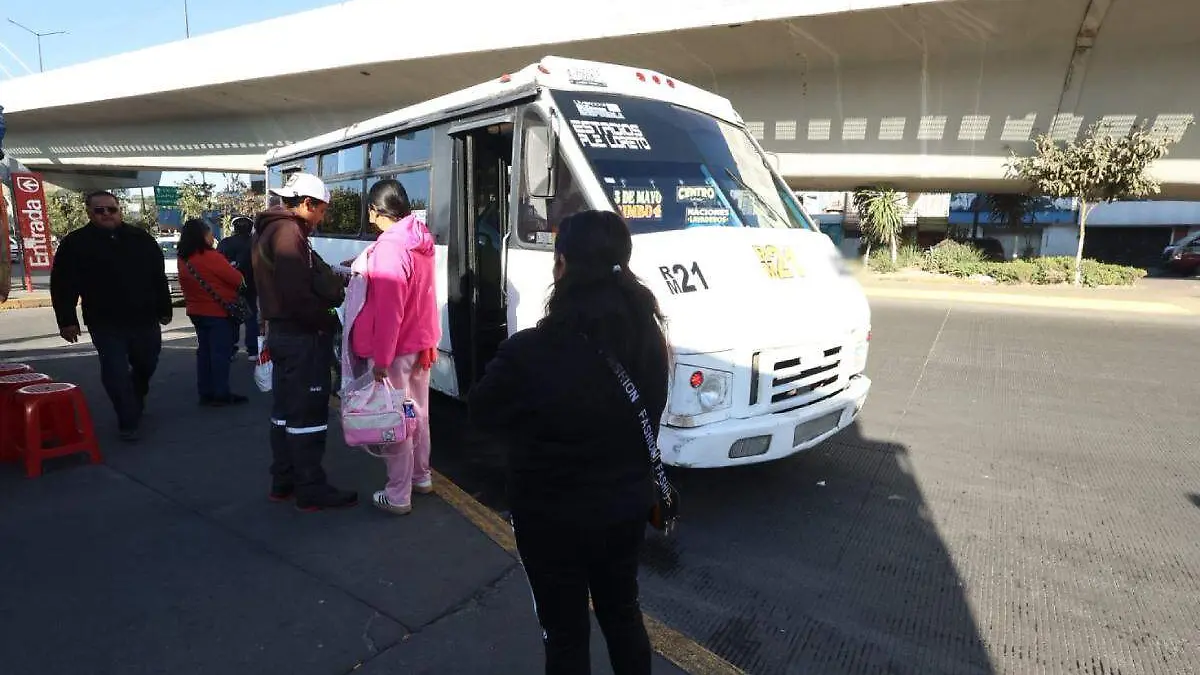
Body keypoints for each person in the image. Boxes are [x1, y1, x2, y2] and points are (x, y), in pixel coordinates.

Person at [468, 210, 671, 675]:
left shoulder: (529, 351)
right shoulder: (648, 337)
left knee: (564, 634)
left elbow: (483, 411)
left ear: (561, 265)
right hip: (625, 510)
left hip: (549, 518)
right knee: (623, 616)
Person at [252, 172, 357, 511]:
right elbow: (297, 294)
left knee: (284, 411)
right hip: (302, 338)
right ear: (307, 204)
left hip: (284, 334)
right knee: (308, 416)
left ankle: (283, 481)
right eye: (322, 210)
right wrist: (328, 317)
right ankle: (311, 489)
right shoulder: (288, 232)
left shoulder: (269, 228)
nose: (323, 217)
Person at [343, 179, 439, 516]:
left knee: (395, 418)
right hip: (421, 344)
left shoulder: (389, 248)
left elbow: (389, 312)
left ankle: (398, 495)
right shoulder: (421, 241)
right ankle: (421, 477)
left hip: (395, 351)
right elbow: (424, 297)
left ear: (375, 210)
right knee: (417, 413)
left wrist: (381, 359)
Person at [50, 191, 172, 442]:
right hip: (104, 322)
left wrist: (164, 309)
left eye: (111, 209)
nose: (106, 214)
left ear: (119, 210)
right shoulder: (75, 244)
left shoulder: (142, 239)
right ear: (89, 213)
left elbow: (158, 278)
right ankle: (127, 419)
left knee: (146, 364)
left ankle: (135, 395)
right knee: (115, 371)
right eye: (99, 210)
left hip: (144, 319)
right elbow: (63, 285)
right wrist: (67, 320)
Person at [177, 218, 247, 407]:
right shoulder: (210, 256)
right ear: (202, 236)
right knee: (219, 353)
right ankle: (221, 392)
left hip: (196, 311)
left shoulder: (183, 257)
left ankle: (206, 391)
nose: (212, 236)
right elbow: (237, 279)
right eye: (209, 233)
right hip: (217, 311)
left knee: (205, 352)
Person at [217, 215, 259, 361]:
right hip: (251, 287)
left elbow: (218, 264)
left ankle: (230, 349)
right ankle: (252, 350)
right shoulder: (256, 243)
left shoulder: (225, 243)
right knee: (251, 318)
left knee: (231, 318)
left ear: (234, 228)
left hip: (229, 287)